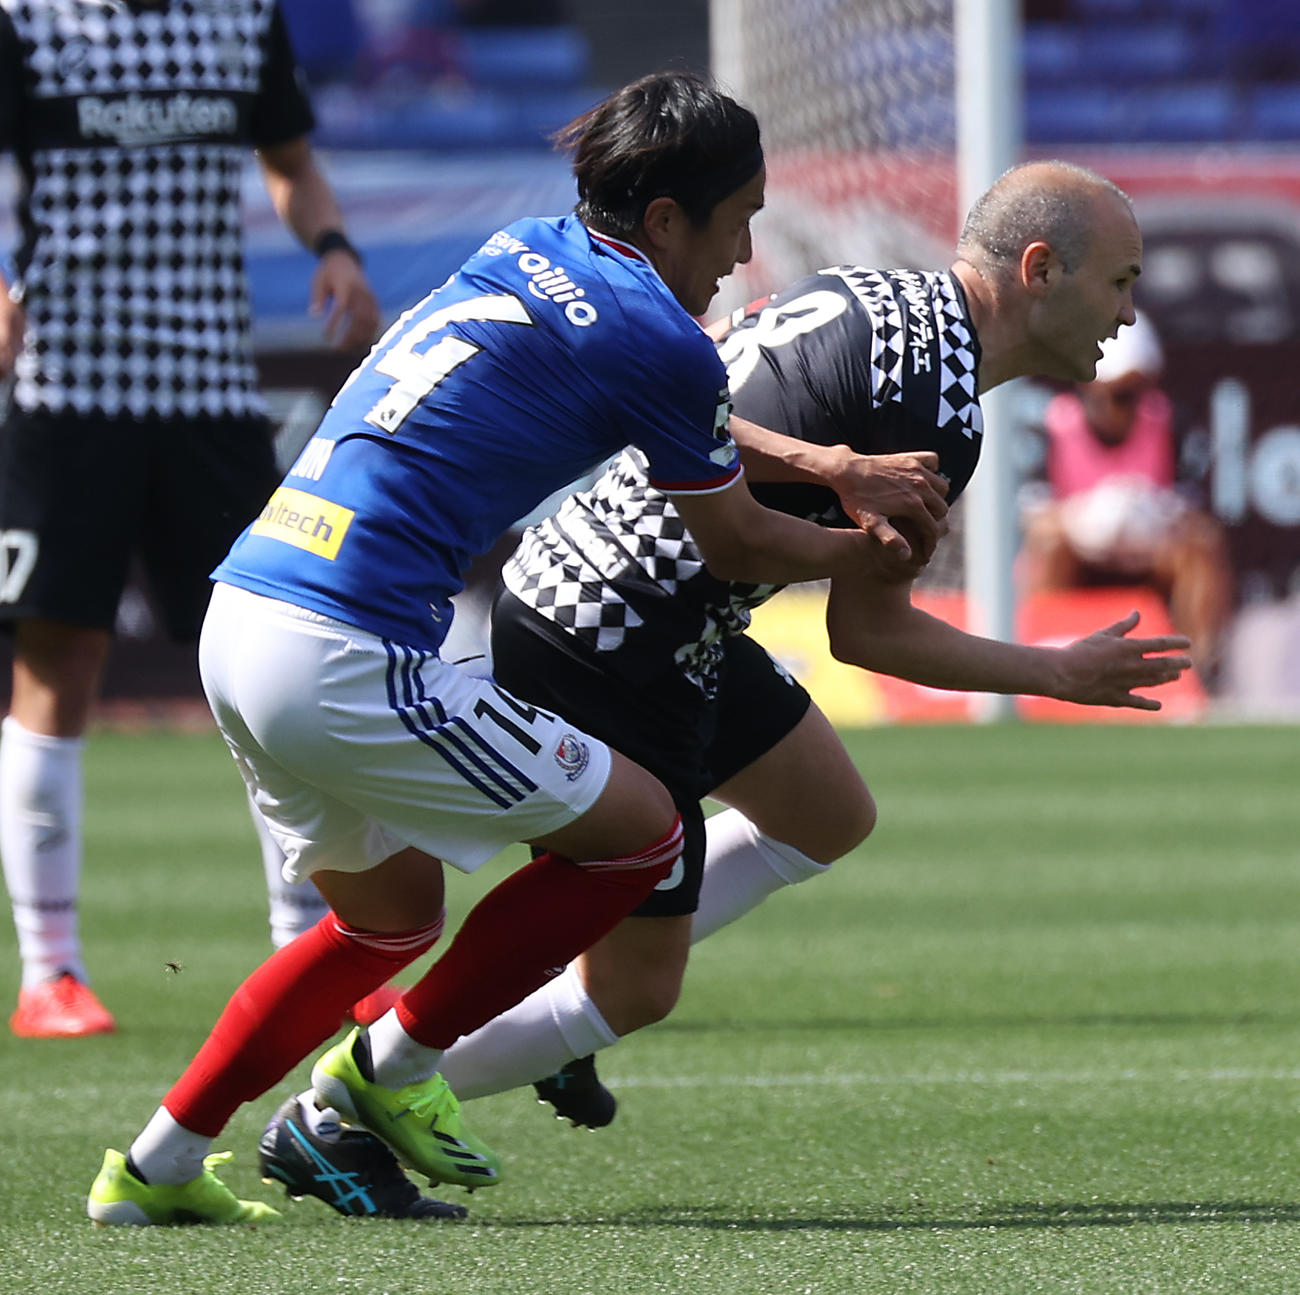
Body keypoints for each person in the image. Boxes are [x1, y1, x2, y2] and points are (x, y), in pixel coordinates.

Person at [87, 69, 947, 1227]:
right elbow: (736, 541)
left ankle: (155, 1166)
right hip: (343, 650)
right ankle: (383, 1073)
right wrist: (872, 545)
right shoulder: (661, 333)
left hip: (245, 613)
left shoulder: (528, 247)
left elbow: (669, 400)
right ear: (663, 219)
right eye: (738, 218)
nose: (744, 252)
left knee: (385, 920)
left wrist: (831, 466)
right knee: (642, 835)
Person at [248, 159, 1188, 1169]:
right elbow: (868, 635)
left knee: (830, 812)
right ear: (1039, 269)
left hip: (608, 588)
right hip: (617, 633)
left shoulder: (873, 291)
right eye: (1119, 283)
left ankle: (526, 1007)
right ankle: (352, 1095)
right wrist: (1055, 672)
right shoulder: (935, 403)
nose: (1127, 314)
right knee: (636, 989)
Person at [0, 0, 382, 1041]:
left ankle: (307, 949)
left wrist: (335, 244)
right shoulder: (28, 23)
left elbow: (289, 160)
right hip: (66, 388)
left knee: (265, 665)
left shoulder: (239, 18)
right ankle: (53, 970)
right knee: (58, 663)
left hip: (211, 391)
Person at [1017, 311, 1233, 689]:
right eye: (1120, 395)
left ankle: (1194, 675)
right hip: (1080, 553)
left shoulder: (1172, 423)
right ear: (1091, 387)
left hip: (1152, 556)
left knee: (1201, 549)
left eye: (1137, 393)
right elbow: (1036, 517)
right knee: (1047, 549)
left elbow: (1196, 514)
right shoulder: (1054, 425)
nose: (1128, 406)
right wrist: (1084, 521)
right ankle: (1046, 669)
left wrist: (1153, 515)